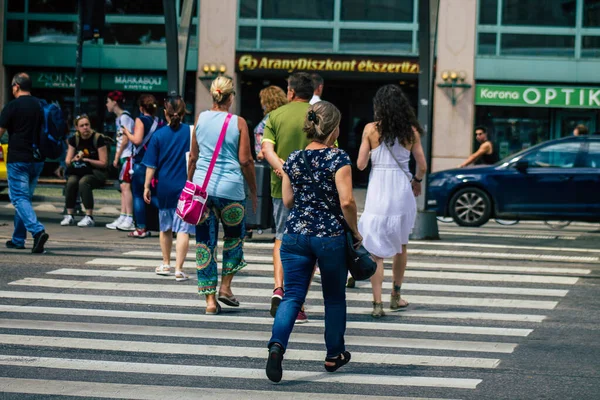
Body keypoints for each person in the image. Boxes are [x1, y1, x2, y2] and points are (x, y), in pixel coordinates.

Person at [266, 101, 358, 383]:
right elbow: (347, 201)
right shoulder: (338, 158)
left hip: (295, 235)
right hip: (329, 237)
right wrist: (355, 231)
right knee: (333, 297)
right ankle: (334, 354)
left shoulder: (292, 158)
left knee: (293, 295)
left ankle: (276, 348)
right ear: (334, 129)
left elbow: (288, 200)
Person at [188, 76, 258, 315]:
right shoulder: (238, 123)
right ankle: (226, 287)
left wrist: (190, 183)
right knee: (234, 239)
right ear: (230, 98)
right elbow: (246, 160)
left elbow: (194, 157)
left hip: (202, 190)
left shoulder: (200, 119)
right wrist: (254, 191)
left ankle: (209, 301)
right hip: (231, 190)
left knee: (205, 244)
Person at [357, 84, 427, 318]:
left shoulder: (370, 129)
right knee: (401, 246)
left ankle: (377, 303)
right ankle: (395, 297)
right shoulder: (411, 132)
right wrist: (416, 180)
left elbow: (360, 164)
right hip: (401, 192)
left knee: (376, 252)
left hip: (378, 192)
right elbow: (423, 166)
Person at [261, 72, 313, 323]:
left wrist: (283, 170)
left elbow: (266, 148)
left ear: (291, 92)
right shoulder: (318, 115)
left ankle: (279, 287)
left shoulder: (275, 115)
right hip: (313, 190)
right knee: (307, 243)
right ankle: (299, 302)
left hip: (279, 188)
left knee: (282, 237)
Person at [143, 96, 195, 281]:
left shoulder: (158, 135)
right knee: (183, 229)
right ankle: (179, 269)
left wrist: (146, 186)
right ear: (184, 112)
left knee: (165, 227)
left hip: (164, 186)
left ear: (165, 113)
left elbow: (151, 165)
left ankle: (166, 263)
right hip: (186, 187)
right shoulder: (191, 132)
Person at [0, 72, 49, 253]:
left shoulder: (11, 107)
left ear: (16, 86)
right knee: (24, 199)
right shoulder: (40, 106)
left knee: (19, 198)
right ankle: (18, 239)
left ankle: (37, 231)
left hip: (18, 158)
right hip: (37, 159)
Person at [122, 94, 162, 238]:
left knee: (139, 195)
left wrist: (127, 132)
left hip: (141, 163)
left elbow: (137, 140)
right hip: (155, 163)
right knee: (155, 194)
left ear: (141, 108)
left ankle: (141, 228)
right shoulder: (159, 121)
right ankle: (174, 218)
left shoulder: (140, 120)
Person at [60, 115, 108, 227]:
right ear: (77, 128)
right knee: (71, 181)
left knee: (84, 182)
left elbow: (104, 163)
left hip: (97, 172)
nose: (85, 127)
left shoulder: (98, 139)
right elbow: (67, 161)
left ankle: (89, 216)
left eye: (87, 125)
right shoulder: (74, 139)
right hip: (79, 170)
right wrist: (74, 159)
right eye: (82, 126)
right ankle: (70, 215)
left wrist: (87, 160)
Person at [105, 91, 136, 231]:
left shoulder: (124, 118)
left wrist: (116, 156)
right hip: (125, 155)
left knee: (125, 187)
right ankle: (124, 215)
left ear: (114, 102)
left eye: (108, 101)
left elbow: (125, 138)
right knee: (123, 187)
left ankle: (129, 217)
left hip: (127, 155)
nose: (107, 104)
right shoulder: (121, 118)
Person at [253, 86, 288, 161]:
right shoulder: (286, 115)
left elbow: (262, 149)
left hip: (270, 162)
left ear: (266, 102)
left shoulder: (269, 119)